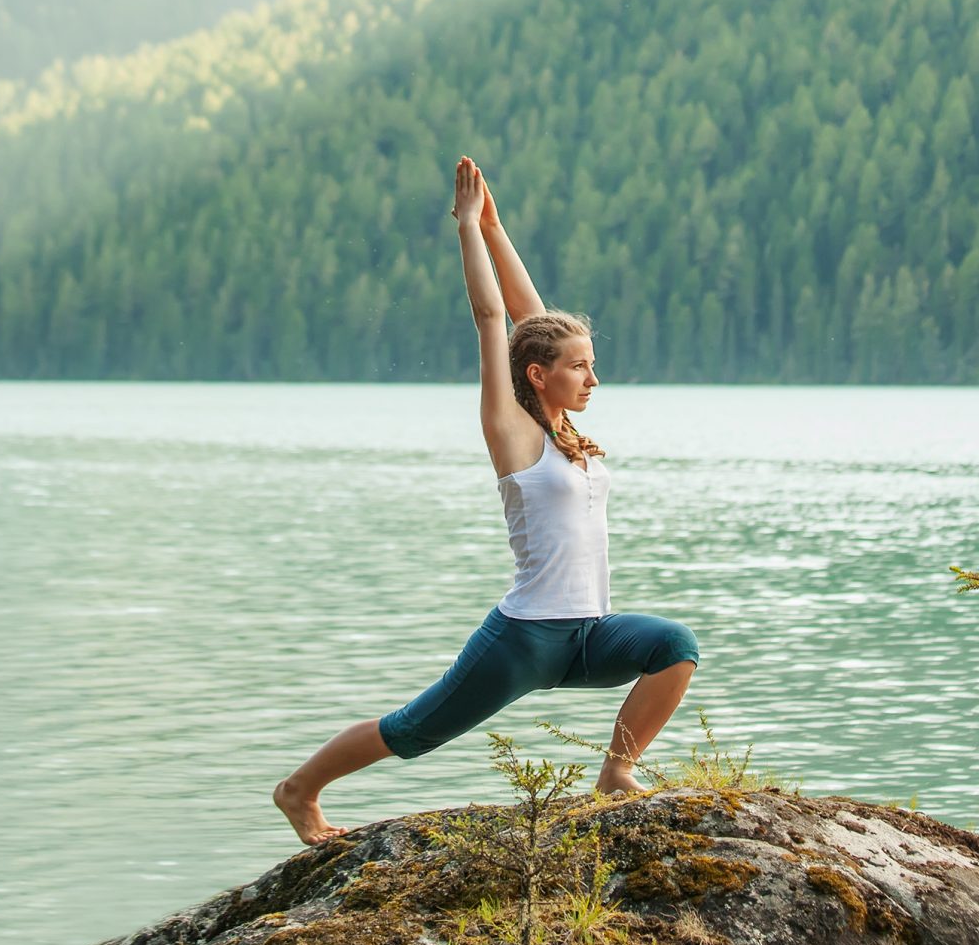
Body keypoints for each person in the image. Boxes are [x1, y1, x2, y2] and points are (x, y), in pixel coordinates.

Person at [271, 156, 701, 845]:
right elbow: (494, 316)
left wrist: (499, 228)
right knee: (414, 730)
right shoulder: (514, 433)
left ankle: (616, 772)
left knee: (675, 646)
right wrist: (468, 228)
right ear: (538, 376)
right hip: (526, 638)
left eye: (592, 361)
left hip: (588, 633)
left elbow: (534, 320)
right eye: (581, 366)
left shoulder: (564, 427)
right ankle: (299, 790)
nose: (594, 376)